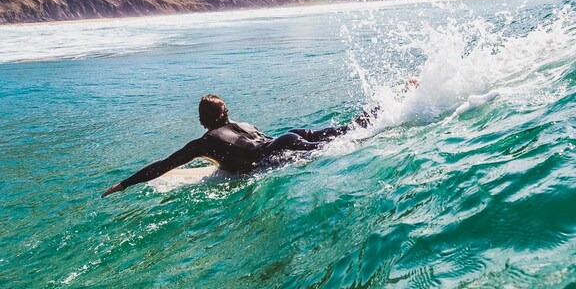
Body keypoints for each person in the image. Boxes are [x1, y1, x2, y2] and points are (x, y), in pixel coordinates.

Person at [101, 92, 382, 197]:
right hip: (287, 136)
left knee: (350, 143)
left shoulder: (205, 142)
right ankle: (388, 107)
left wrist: (124, 184)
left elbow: (165, 165)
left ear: (202, 120)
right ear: (226, 113)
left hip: (278, 151)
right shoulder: (244, 124)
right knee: (345, 131)